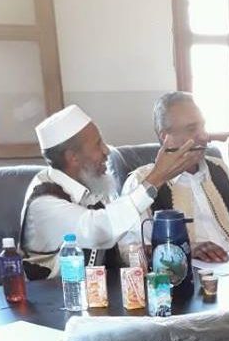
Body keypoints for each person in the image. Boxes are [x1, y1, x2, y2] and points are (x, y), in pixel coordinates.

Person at [20, 105, 200, 280]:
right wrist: (156, 177)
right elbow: (99, 230)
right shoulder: (43, 204)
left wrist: (148, 253)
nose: (106, 151)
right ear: (73, 157)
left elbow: (116, 243)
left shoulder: (91, 183)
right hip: (55, 298)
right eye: (98, 144)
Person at [120, 91, 229, 263]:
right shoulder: (141, 183)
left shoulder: (220, 169)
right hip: (184, 277)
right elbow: (132, 252)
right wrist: (185, 249)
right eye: (192, 129)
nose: (204, 136)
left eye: (203, 126)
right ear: (165, 137)